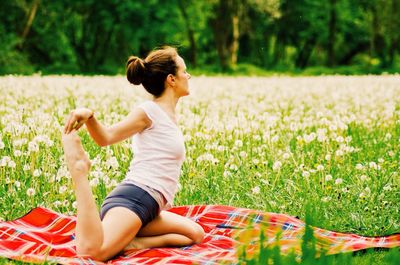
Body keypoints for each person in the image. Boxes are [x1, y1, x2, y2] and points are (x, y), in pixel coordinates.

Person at [62, 46, 205, 262]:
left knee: (195, 234)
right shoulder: (148, 112)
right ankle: (79, 170)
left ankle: (131, 243)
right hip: (135, 198)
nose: (189, 75)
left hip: (151, 207)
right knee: (93, 254)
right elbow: (106, 138)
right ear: (171, 79)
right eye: (184, 71)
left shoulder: (169, 115)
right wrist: (90, 116)